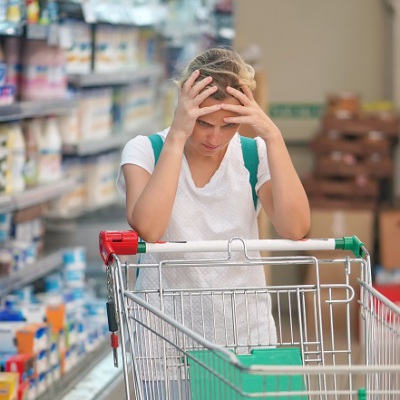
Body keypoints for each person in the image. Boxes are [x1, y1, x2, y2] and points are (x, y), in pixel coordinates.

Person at [116, 46, 310, 398]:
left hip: (246, 335)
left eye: (229, 125)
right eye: (203, 122)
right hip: (165, 341)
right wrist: (177, 135)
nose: (214, 138)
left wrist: (273, 136)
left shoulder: (254, 155)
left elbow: (295, 227)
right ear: (183, 104)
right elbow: (150, 229)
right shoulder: (145, 150)